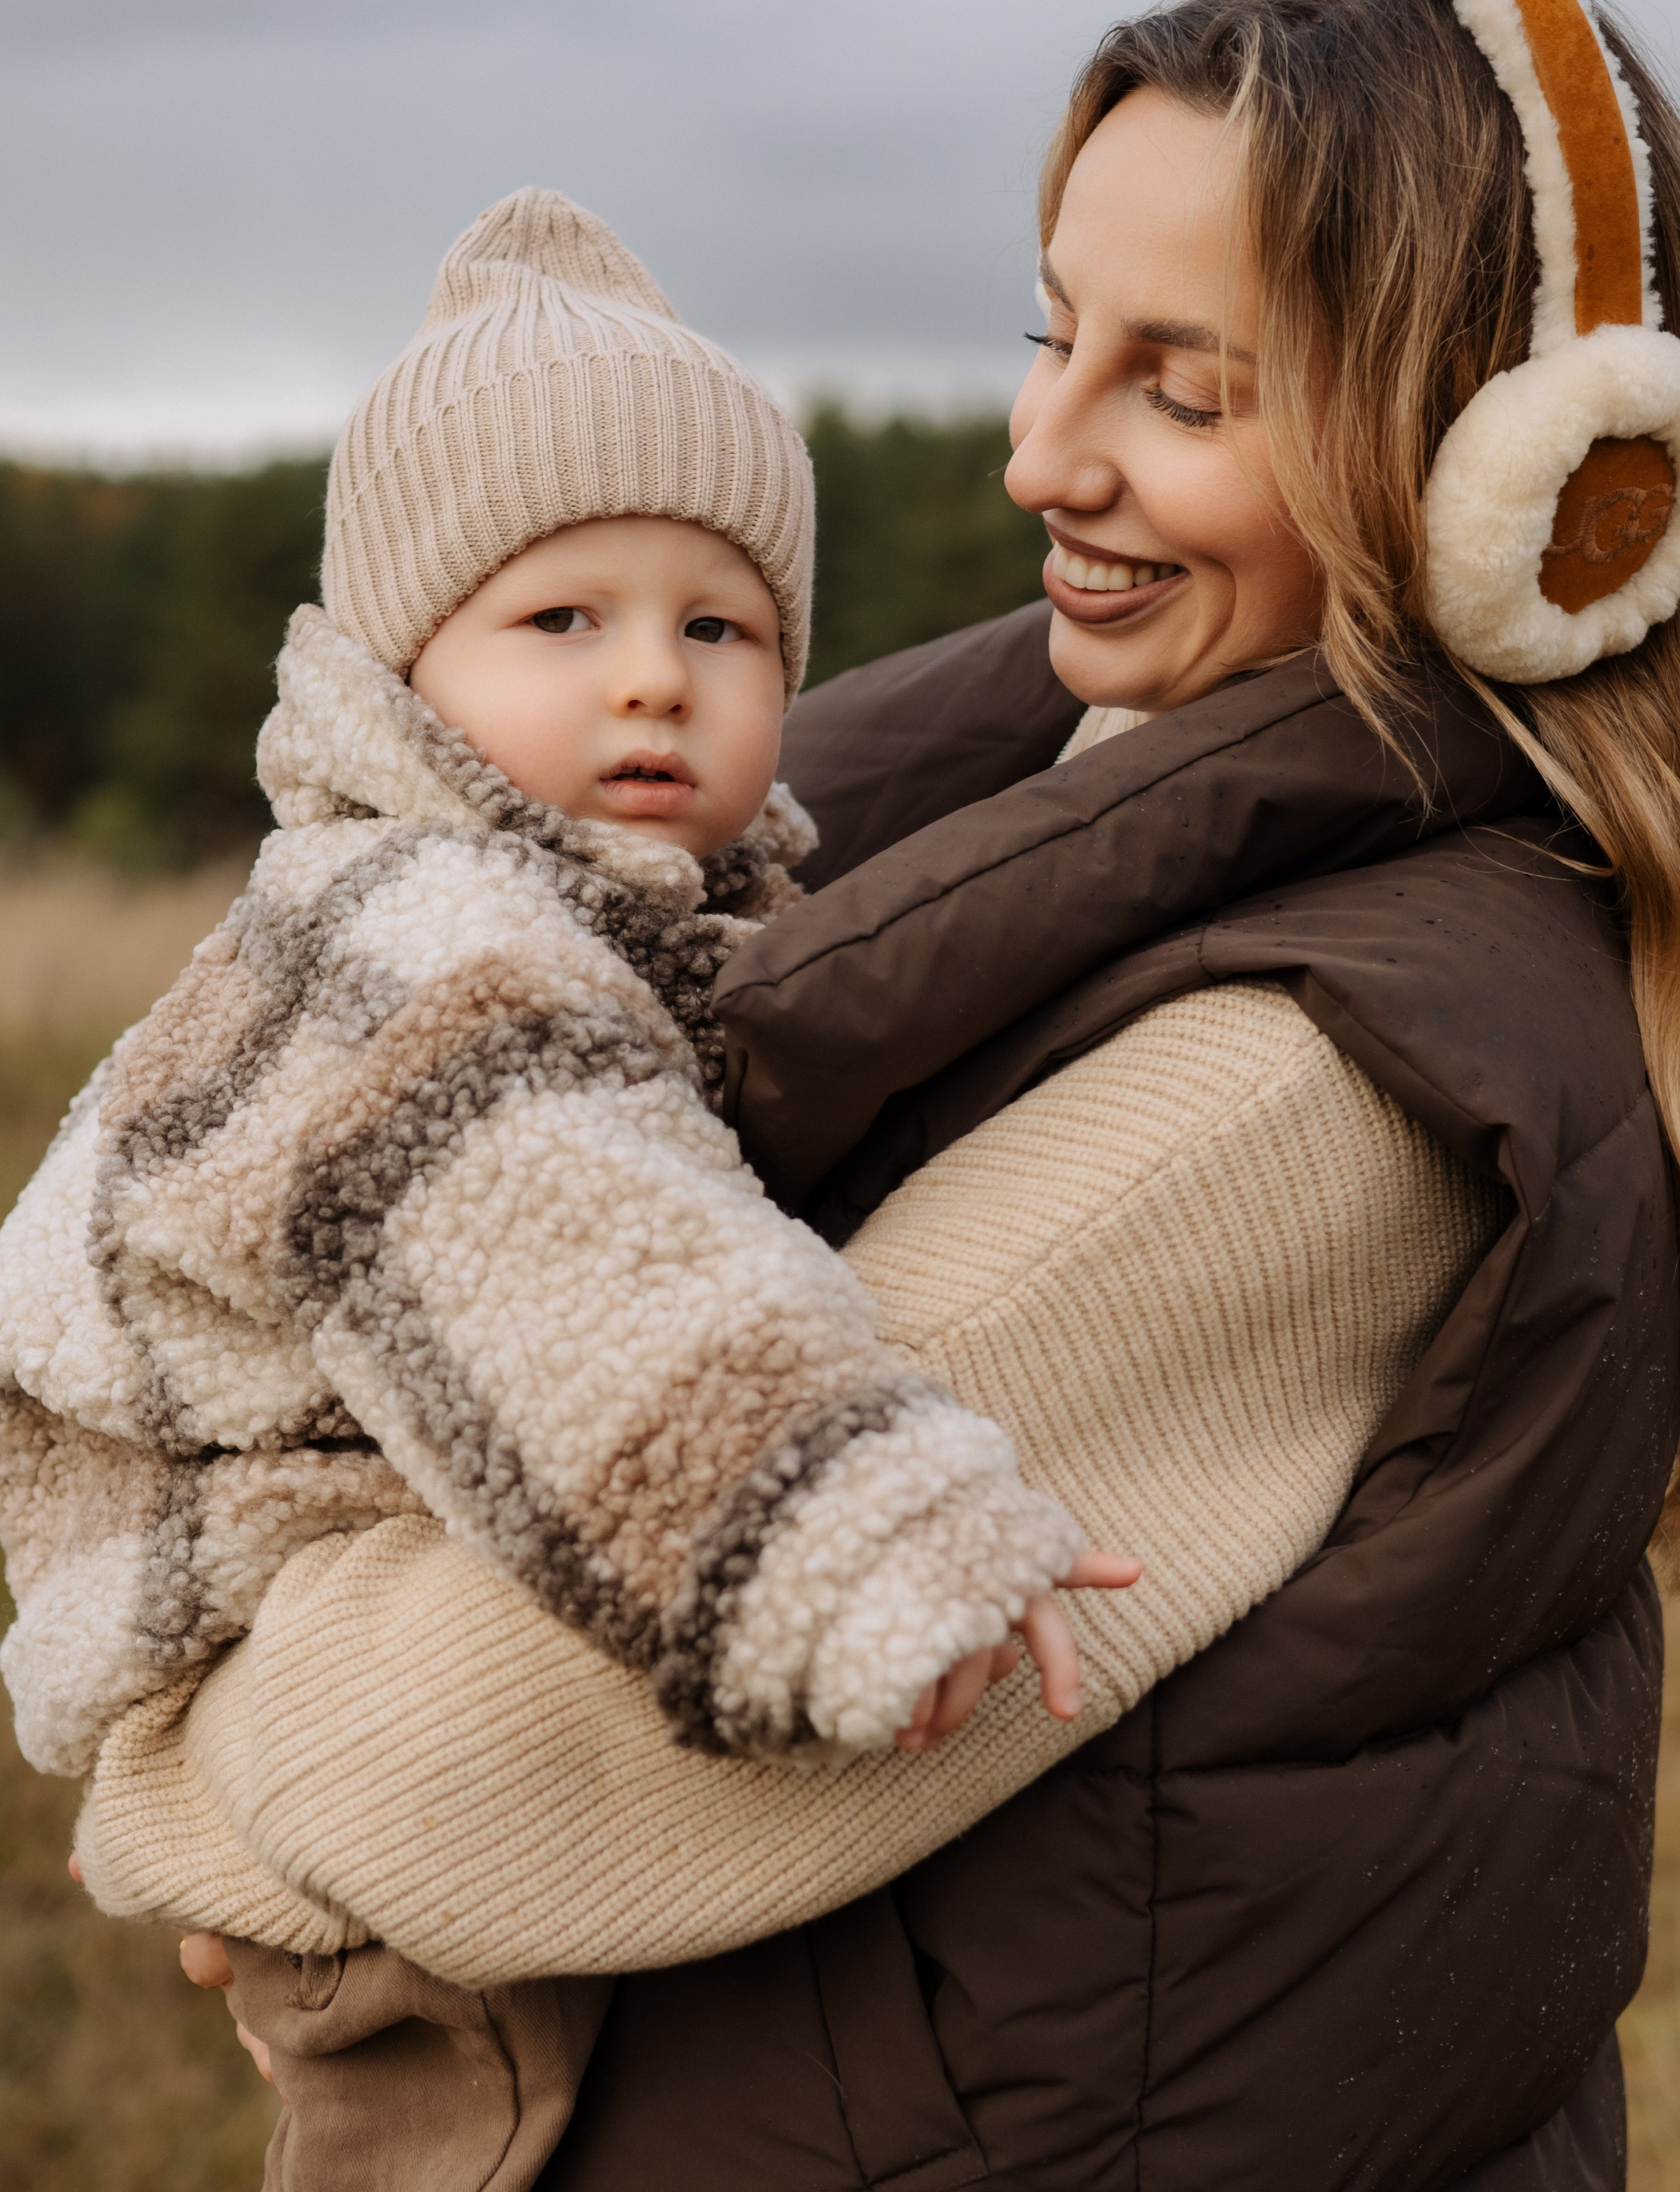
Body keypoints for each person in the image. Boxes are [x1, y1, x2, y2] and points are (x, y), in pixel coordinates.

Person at [56, 0, 1680, 2187]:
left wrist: (188, 1774)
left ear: (1513, 480)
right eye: (1051, 340)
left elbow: (503, 1760)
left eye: (1184, 390)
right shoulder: (1062, 798)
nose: (1044, 457)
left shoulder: (1326, 1082)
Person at [0, 189, 1135, 2184]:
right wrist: (864, 1535)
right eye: (561, 620)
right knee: (460, 2131)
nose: (651, 684)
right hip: (239, 1583)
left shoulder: (617, 910)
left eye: (721, 626)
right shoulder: (418, 936)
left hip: (353, 1564)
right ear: (400, 669)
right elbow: (587, 1278)